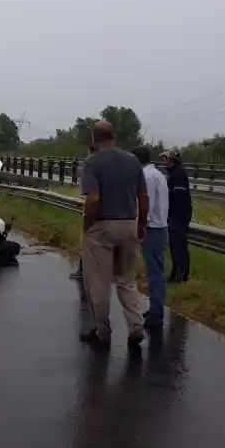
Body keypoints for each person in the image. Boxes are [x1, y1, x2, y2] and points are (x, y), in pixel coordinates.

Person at [79, 121, 149, 351]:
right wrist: (141, 224)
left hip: (103, 226)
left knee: (99, 282)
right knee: (126, 279)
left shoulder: (93, 162)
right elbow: (143, 197)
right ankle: (136, 327)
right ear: (113, 136)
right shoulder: (132, 161)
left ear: (93, 138)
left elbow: (94, 199)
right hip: (129, 223)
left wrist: (88, 223)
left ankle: (102, 331)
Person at [132, 146, 169, 329]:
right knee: (156, 271)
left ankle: (156, 313)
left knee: (154, 273)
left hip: (152, 228)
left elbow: (146, 205)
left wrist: (141, 227)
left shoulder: (146, 177)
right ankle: (156, 308)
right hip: (161, 226)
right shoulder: (158, 174)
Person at [162, 147, 192, 283]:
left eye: (166, 158)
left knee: (179, 246)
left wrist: (165, 193)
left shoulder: (179, 174)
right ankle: (176, 274)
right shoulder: (173, 173)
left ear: (172, 159)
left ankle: (181, 275)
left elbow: (178, 196)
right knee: (174, 246)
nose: (164, 161)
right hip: (174, 215)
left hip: (179, 216)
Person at [69, 143, 97, 281]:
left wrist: (86, 210)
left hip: (92, 211)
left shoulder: (90, 165)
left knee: (86, 242)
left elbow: (90, 194)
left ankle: (83, 270)